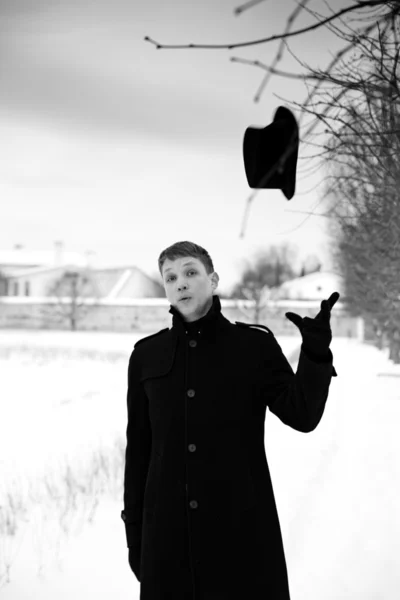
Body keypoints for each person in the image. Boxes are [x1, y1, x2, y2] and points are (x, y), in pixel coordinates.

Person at [121, 240, 338, 600]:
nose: (181, 283)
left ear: (214, 279)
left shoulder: (254, 347)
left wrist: (315, 355)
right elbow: (139, 452)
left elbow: (302, 415)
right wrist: (136, 536)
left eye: (191, 272)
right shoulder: (146, 356)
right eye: (171, 277)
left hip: (241, 533)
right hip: (167, 538)